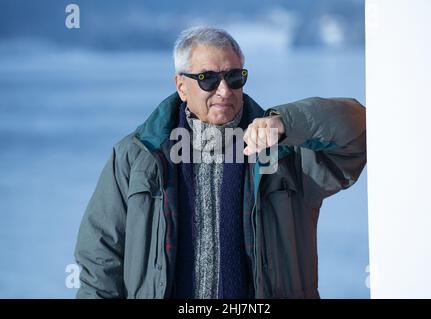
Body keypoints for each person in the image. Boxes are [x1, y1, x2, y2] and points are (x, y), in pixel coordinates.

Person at [74, 26, 366, 299]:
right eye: (208, 79)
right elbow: (100, 260)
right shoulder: (137, 155)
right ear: (181, 86)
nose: (224, 90)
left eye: (234, 77)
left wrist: (287, 122)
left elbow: (359, 130)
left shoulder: (286, 152)